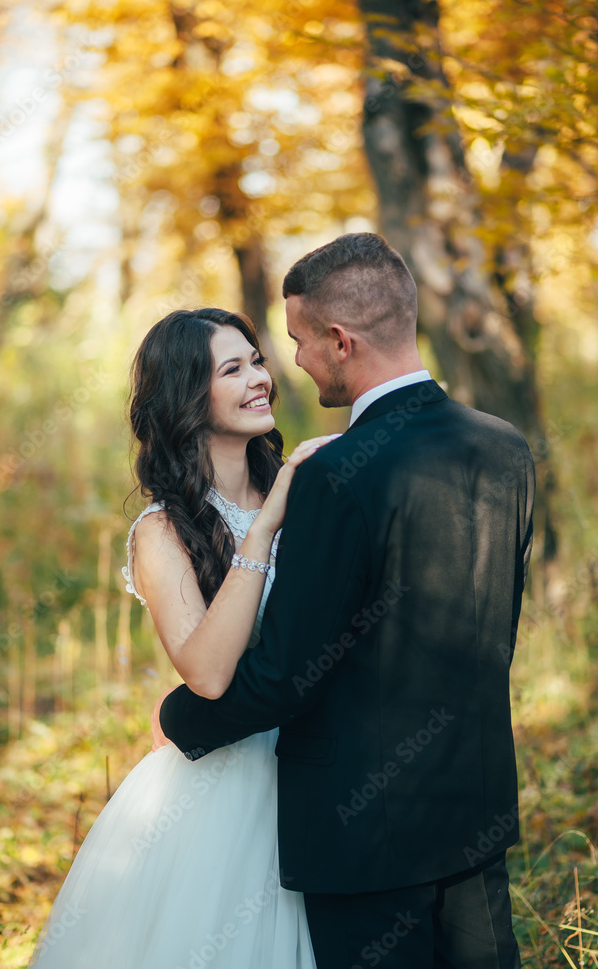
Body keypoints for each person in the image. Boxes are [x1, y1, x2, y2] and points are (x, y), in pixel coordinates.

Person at [157, 232, 536, 969]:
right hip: (474, 808)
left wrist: (179, 719)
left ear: (339, 341)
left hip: (365, 837)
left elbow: (288, 673)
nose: (290, 361)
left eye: (295, 341)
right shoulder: (504, 445)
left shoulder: (336, 475)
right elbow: (497, 630)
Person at [28, 307, 339, 968]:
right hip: (223, 779)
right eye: (233, 369)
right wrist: (261, 531)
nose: (260, 378)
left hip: (324, 759)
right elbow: (206, 674)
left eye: (256, 359)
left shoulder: (307, 487)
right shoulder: (160, 531)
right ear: (186, 399)